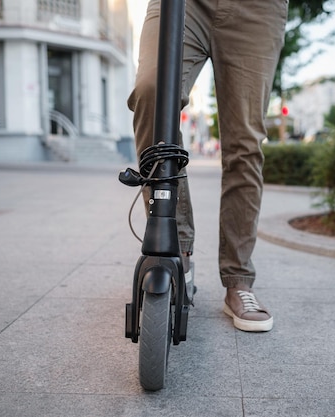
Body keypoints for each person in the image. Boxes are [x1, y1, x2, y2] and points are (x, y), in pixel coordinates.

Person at [127, 0, 288, 332]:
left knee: (244, 142)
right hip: (182, 4)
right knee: (150, 94)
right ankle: (177, 252)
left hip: (256, 9)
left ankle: (239, 281)